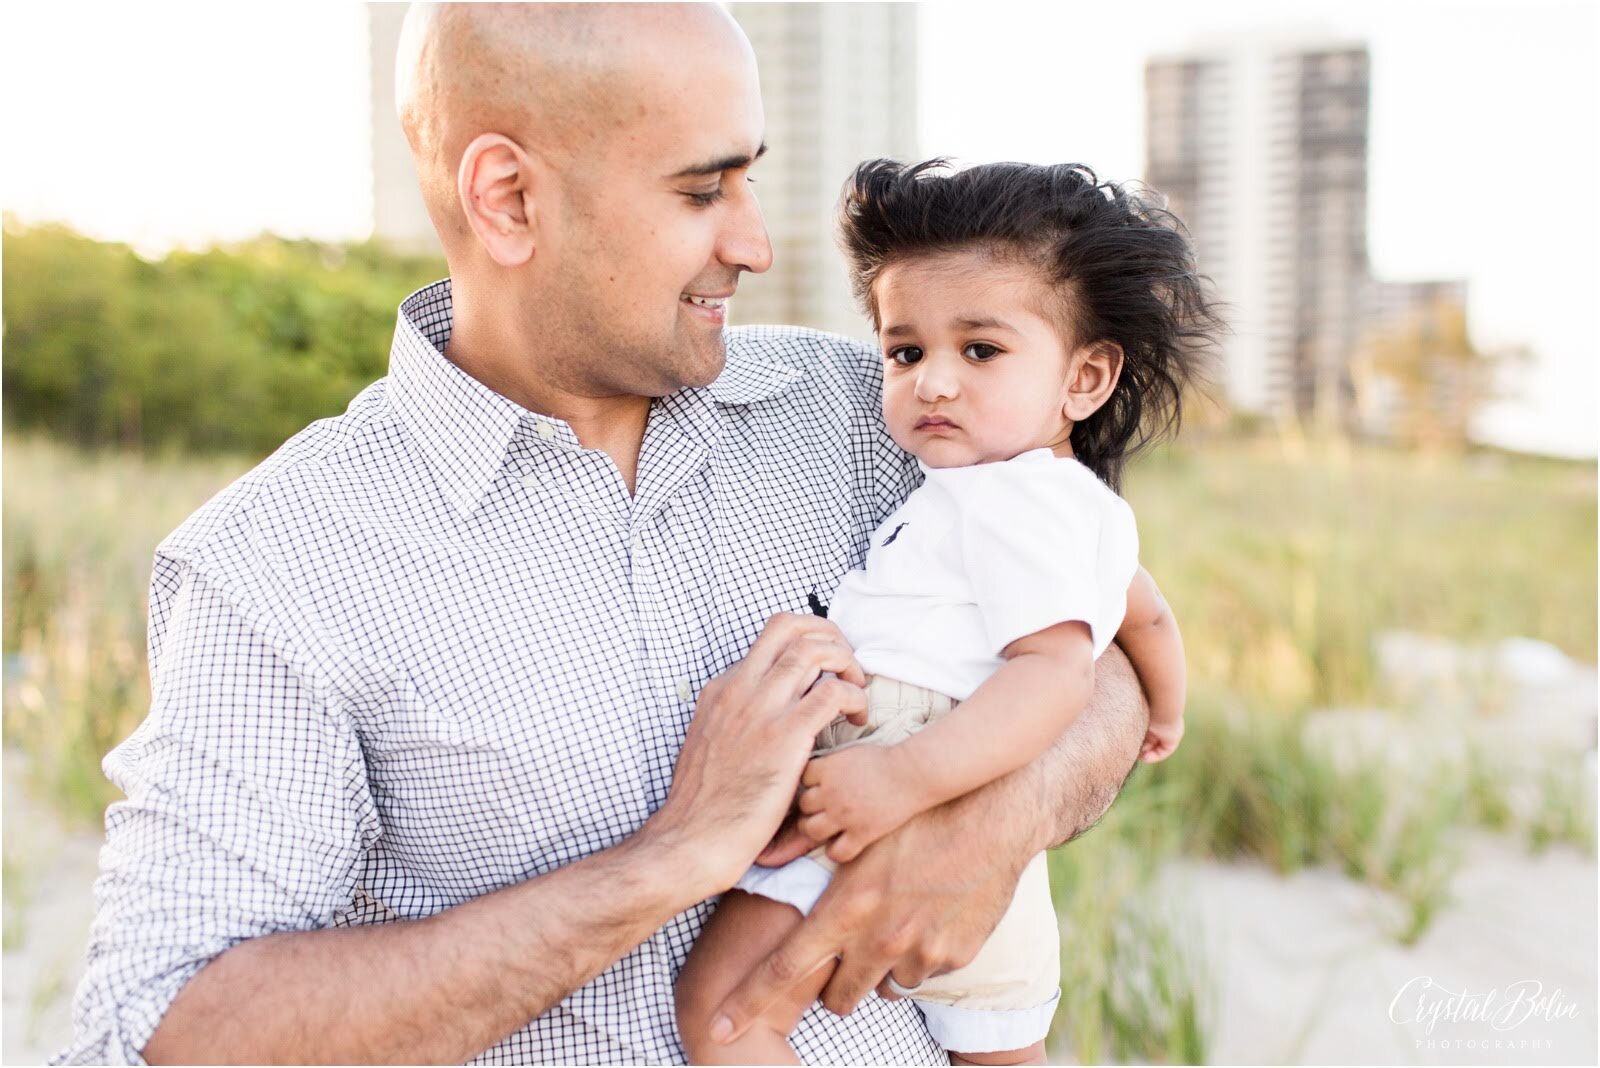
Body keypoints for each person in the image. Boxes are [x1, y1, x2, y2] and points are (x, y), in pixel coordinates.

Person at [55, 6, 1150, 1064]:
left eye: (750, 176)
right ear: (507, 199)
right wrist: (667, 859)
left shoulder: (868, 415)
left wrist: (993, 822)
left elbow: (1105, 651)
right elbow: (172, 1029)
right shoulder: (274, 563)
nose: (755, 241)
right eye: (700, 189)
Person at [674, 158, 1213, 1066]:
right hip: (968, 805)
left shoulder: (1004, 498)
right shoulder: (1075, 506)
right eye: (905, 351)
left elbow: (1053, 673)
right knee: (1001, 1048)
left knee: (725, 1014)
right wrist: (1164, 708)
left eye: (981, 351)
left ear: (1085, 379)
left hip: (899, 750)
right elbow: (1144, 618)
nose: (933, 382)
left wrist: (906, 780)